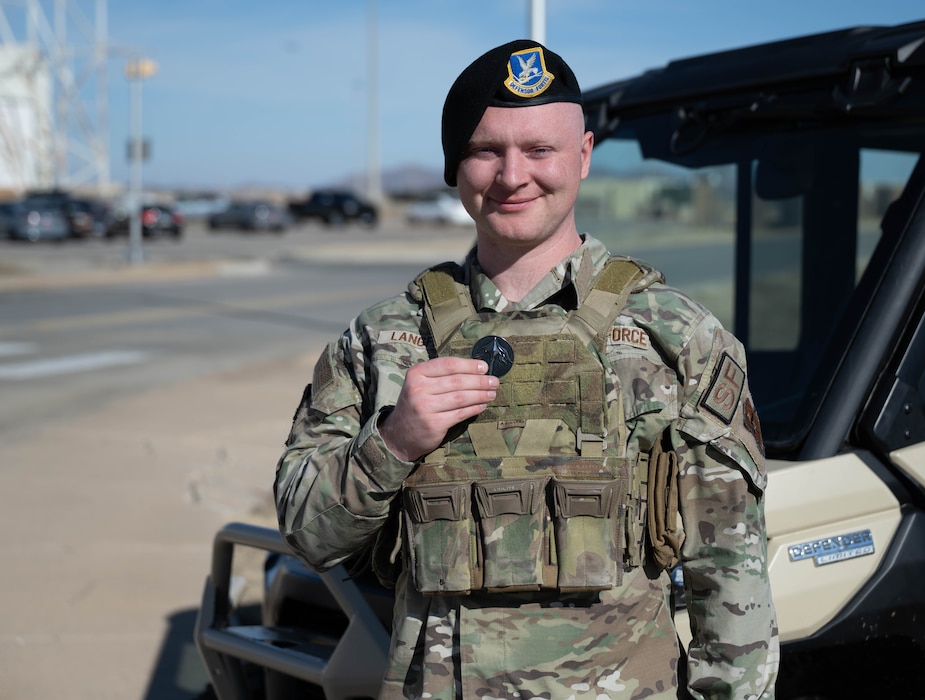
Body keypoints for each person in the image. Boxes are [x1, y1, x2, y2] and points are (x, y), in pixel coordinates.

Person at [274, 39, 778, 699]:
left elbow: (731, 578)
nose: (513, 176)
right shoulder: (383, 338)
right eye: (487, 151)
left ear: (584, 156)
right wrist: (393, 443)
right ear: (456, 167)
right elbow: (309, 533)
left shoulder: (673, 335)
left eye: (539, 149)